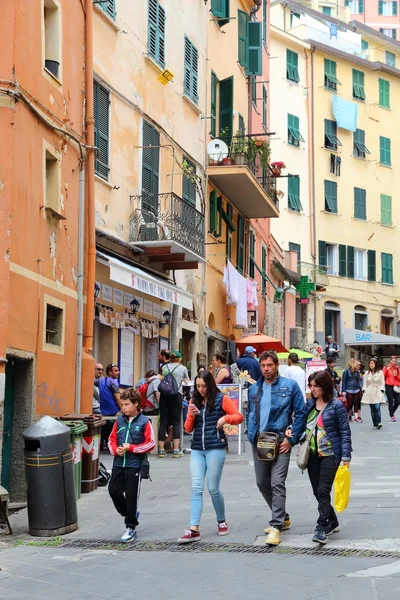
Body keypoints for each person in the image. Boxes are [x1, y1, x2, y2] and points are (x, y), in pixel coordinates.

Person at [246, 351, 306, 546]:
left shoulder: (290, 386)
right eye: (263, 366)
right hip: (260, 442)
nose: (266, 369)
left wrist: (292, 438)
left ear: (276, 366)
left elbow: (301, 412)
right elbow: (251, 414)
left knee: (277, 482)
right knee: (262, 482)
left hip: (281, 442)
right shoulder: (254, 389)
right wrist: (251, 435)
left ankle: (276, 526)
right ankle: (283, 516)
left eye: (269, 365)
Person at [177, 372, 243, 543]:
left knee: (213, 488)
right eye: (198, 387)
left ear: (210, 385)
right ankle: (194, 528)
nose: (201, 390)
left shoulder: (222, 399)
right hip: (198, 449)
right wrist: (191, 414)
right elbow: (188, 428)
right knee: (196, 488)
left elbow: (238, 416)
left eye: (204, 386)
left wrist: (225, 418)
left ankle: (221, 521)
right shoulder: (194, 400)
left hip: (215, 447)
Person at [303, 371, 352, 545]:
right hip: (312, 456)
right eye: (311, 386)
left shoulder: (336, 405)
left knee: (324, 490)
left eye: (316, 386)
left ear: (325, 387)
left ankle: (321, 527)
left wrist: (346, 455)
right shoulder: (309, 403)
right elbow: (302, 424)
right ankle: (332, 520)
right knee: (317, 492)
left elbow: (345, 431)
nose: (313, 389)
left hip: (330, 455)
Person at [108, 388, 155, 543]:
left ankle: (130, 527)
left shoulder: (144, 422)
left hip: (135, 465)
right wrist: (116, 450)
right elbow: (111, 440)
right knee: (113, 491)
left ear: (136, 404)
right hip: (118, 463)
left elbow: (151, 443)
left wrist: (132, 448)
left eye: (127, 404)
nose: (124, 408)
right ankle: (130, 513)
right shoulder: (119, 421)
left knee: (131, 495)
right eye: (122, 404)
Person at [158, 351, 190, 458]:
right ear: (179, 359)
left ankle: (161, 450)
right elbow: (186, 382)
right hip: (177, 395)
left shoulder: (164, 367)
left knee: (163, 421)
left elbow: (161, 378)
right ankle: (176, 450)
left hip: (164, 395)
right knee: (176, 422)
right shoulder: (183, 368)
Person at [99, 363, 122, 449]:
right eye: (116, 371)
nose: (118, 372)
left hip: (103, 410)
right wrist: (122, 408)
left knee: (105, 426)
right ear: (110, 372)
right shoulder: (113, 382)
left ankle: (102, 444)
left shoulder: (101, 381)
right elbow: (117, 398)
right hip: (113, 410)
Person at [362, 358, 385, 429]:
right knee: (372, 409)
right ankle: (374, 422)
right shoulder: (367, 373)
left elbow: (382, 382)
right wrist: (364, 390)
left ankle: (379, 422)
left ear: (375, 364)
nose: (371, 365)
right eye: (370, 363)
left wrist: (381, 390)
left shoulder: (380, 372)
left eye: (372, 363)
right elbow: (365, 383)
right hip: (369, 391)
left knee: (377, 407)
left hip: (377, 391)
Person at [342, 358, 363, 423]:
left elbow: (359, 381)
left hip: (356, 389)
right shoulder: (346, 371)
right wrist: (343, 390)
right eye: (356, 363)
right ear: (352, 363)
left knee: (356, 404)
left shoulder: (357, 372)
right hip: (349, 389)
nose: (357, 365)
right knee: (349, 404)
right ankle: (348, 415)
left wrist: (361, 388)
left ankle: (356, 418)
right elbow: (344, 381)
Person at [383, 356, 400, 422]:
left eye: (395, 361)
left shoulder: (397, 368)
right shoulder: (386, 368)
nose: (394, 362)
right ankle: (392, 415)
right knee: (390, 401)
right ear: (390, 361)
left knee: (397, 402)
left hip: (396, 386)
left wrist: (397, 376)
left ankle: (391, 411)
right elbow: (383, 376)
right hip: (388, 385)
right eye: (393, 361)